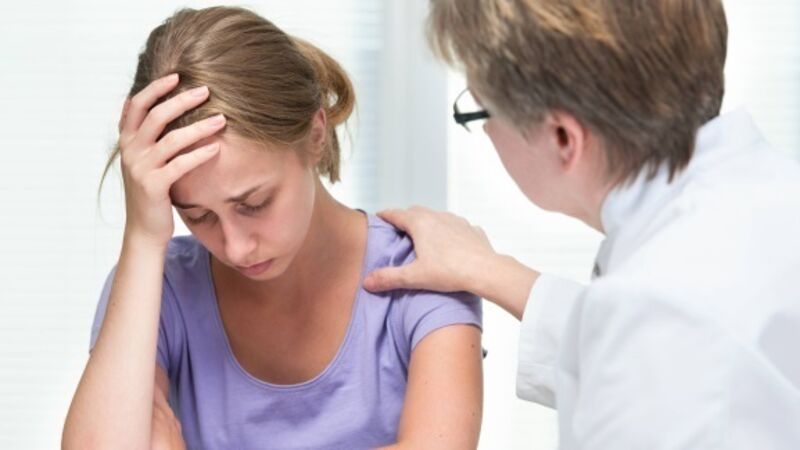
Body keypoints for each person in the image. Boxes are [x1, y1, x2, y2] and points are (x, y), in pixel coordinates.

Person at [363, 0, 800, 448]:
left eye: (480, 111)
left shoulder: (663, 314)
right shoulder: (761, 199)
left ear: (563, 138)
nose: (486, 133)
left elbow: (651, 347)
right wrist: (488, 269)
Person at [62, 6, 483, 450]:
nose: (236, 248)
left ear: (315, 134)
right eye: (199, 216)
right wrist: (144, 238)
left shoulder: (423, 273)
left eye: (254, 204)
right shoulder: (157, 287)